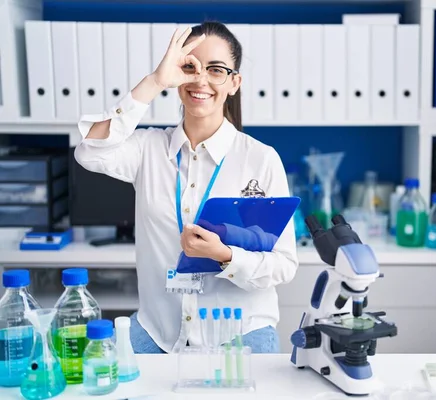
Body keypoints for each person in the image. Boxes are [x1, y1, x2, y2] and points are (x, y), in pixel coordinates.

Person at [74, 21, 298, 354]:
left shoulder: (260, 159)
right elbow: (89, 150)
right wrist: (154, 82)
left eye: (216, 70)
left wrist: (225, 256)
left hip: (240, 329)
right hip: (159, 330)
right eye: (189, 67)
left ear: (234, 82)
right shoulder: (149, 148)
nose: (201, 80)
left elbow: (284, 265)